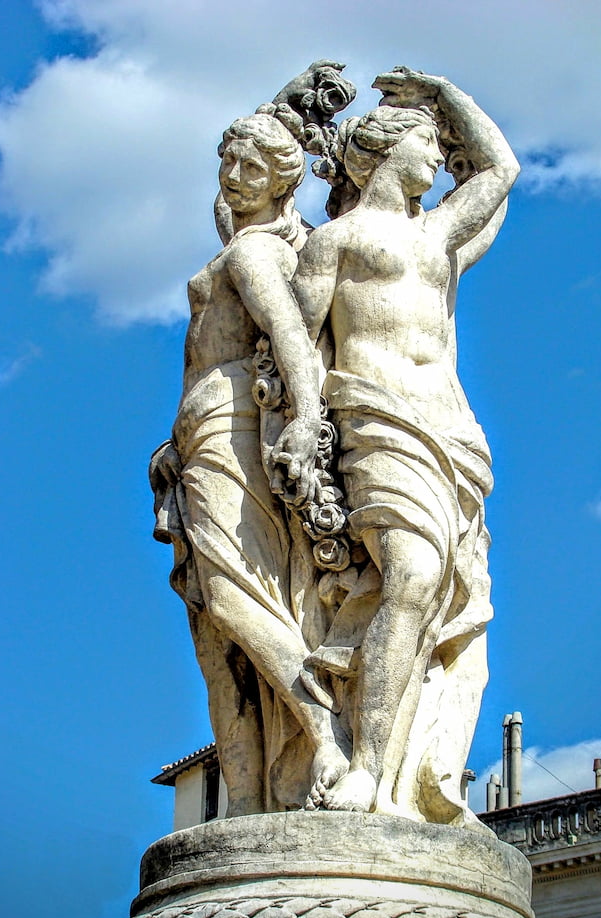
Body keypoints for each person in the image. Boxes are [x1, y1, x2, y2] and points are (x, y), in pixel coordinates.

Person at [291, 68, 520, 821]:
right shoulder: (336, 242)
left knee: (439, 594)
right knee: (413, 578)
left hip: (450, 434)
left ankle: (396, 773)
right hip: (377, 421)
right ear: (386, 152)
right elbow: (297, 347)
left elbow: (500, 169)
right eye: (427, 145)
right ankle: (365, 769)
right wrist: (302, 425)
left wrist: (444, 95)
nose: (438, 158)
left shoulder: (437, 236)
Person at [150, 111, 348, 813]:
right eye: (227, 164)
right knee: (215, 629)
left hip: (228, 431)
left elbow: (289, 333)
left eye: (251, 169)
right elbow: (233, 202)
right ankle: (247, 799)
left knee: (235, 599)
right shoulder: (246, 237)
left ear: (283, 182)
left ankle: (326, 733)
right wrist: (289, 111)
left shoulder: (254, 254)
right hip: (198, 441)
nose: (233, 178)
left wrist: (307, 417)